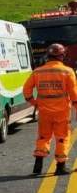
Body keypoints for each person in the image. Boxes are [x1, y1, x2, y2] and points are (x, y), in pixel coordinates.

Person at [24, 43, 77, 175]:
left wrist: (34, 102)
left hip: (44, 112)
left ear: (48, 55)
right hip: (62, 112)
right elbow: (74, 94)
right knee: (62, 137)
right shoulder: (67, 71)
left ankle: (38, 166)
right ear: (62, 55)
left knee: (43, 137)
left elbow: (26, 89)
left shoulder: (37, 71)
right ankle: (60, 166)